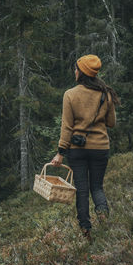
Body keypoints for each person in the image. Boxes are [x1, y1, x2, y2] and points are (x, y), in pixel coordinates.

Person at [51, 54, 120, 240]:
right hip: (100, 148)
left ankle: (86, 231)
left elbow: (66, 127)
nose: (74, 71)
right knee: (97, 187)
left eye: (76, 68)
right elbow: (111, 123)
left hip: (77, 150)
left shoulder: (70, 95)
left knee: (81, 190)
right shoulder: (106, 94)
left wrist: (60, 153)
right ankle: (103, 215)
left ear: (81, 72)